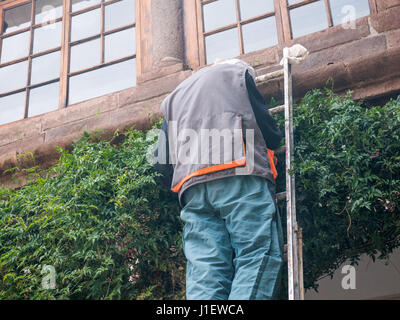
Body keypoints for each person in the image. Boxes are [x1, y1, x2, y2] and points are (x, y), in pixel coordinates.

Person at [152, 58, 284, 300]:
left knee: (206, 267)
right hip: (239, 173)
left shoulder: (173, 99)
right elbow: (271, 133)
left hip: (191, 187)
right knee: (255, 253)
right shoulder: (237, 75)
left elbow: (161, 165)